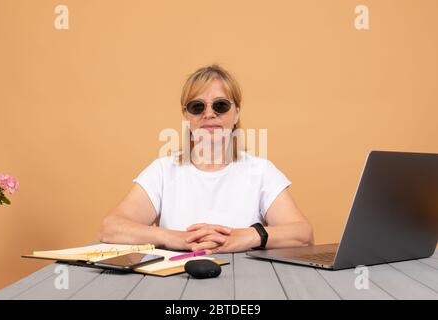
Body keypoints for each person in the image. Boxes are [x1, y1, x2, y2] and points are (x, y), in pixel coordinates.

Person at [100, 64, 314, 253]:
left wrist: (248, 236)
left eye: (220, 105)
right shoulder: (163, 171)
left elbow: (303, 235)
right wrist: (176, 238)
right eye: (197, 106)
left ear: (236, 114)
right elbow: (110, 229)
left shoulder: (261, 171)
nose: (209, 114)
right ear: (187, 116)